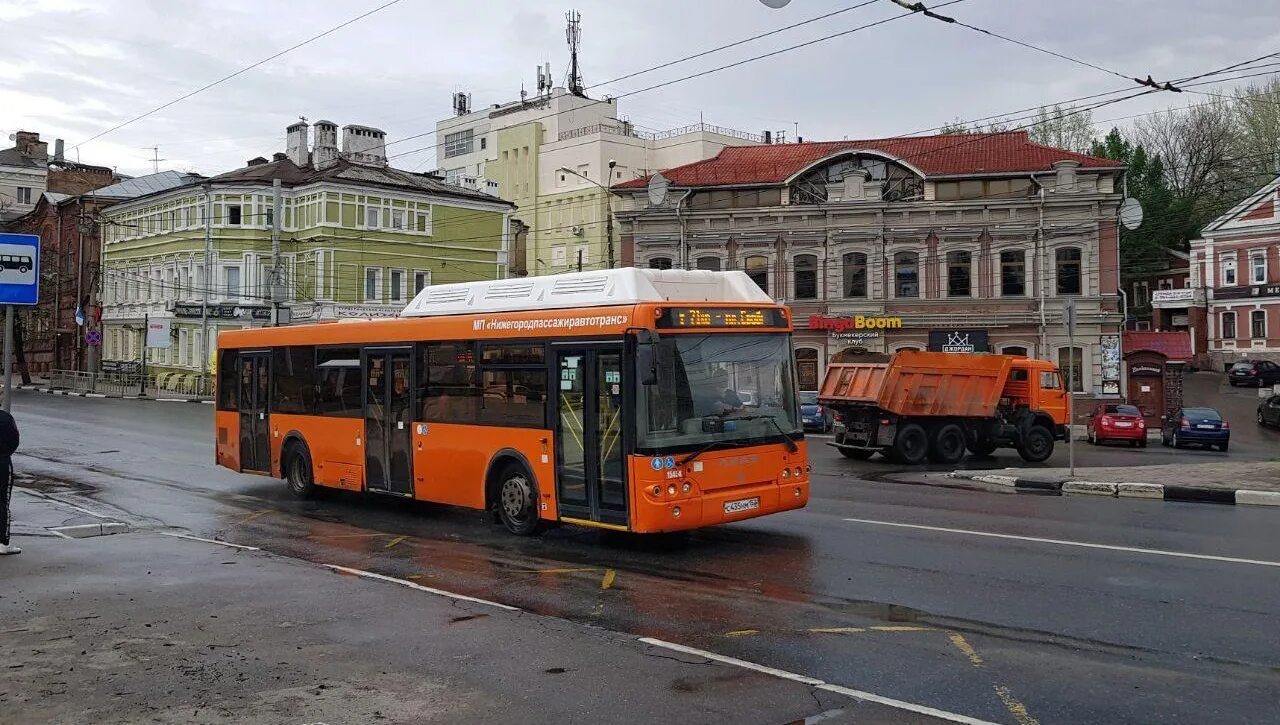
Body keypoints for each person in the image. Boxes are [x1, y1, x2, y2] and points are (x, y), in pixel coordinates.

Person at [0, 408, 20, 556]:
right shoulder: (6, 419)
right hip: (2, 462)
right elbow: (14, 440)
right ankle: (2, 543)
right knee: (2, 502)